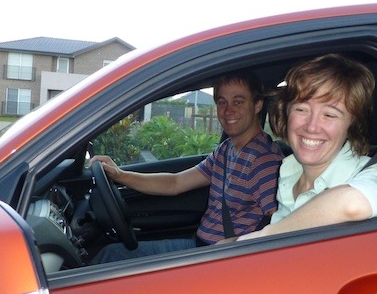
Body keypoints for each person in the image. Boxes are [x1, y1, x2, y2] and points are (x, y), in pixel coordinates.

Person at [91, 71, 283, 262]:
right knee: (110, 254)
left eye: (238, 102)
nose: (228, 110)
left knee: (109, 259)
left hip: (220, 262)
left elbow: (283, 224)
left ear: (258, 105)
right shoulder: (226, 150)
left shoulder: (264, 162)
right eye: (222, 102)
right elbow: (176, 182)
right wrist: (120, 175)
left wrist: (237, 243)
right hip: (199, 248)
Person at [236, 53, 377, 241]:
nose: (311, 127)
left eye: (330, 115)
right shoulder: (289, 170)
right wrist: (231, 243)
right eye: (301, 109)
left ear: (351, 124)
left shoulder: (374, 172)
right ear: (286, 112)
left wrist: (261, 237)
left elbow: (354, 204)